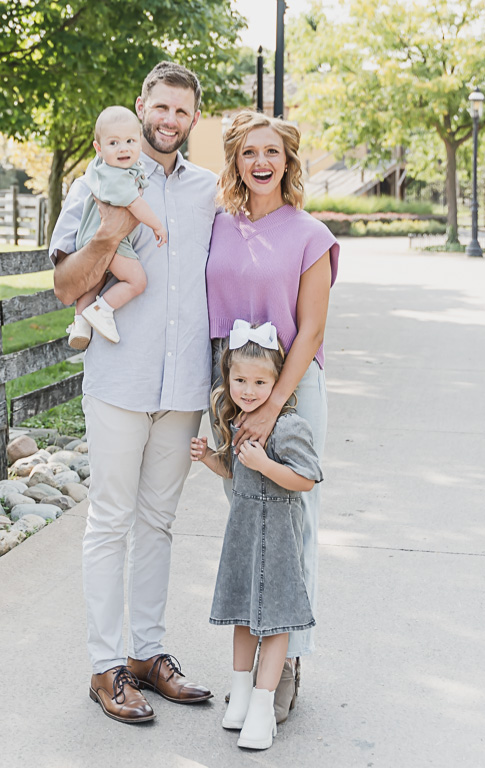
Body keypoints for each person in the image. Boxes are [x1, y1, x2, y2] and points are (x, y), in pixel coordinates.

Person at [50, 61, 217, 725]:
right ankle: (105, 665)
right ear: (141, 104)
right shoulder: (97, 184)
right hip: (119, 381)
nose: (168, 120)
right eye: (160, 106)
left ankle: (148, 655)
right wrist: (110, 232)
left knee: (158, 523)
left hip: (182, 388)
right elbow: (66, 287)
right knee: (110, 520)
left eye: (182, 110)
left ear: (194, 118)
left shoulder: (208, 190)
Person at [205, 109, 338, 724]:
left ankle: (287, 660)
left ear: (288, 163)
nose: (261, 162)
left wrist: (274, 406)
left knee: (294, 521)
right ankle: (247, 665)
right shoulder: (218, 226)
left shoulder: (310, 233)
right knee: (243, 516)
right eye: (249, 152)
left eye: (273, 153)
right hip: (234, 386)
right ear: (236, 161)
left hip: (290, 389)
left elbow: (311, 329)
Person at [191, 322, 322, 750]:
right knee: (243, 617)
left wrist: (266, 464)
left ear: (277, 380)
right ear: (227, 379)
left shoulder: (288, 426)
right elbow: (236, 471)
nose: (248, 390)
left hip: (280, 540)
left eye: (260, 382)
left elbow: (305, 479)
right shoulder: (236, 421)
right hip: (245, 537)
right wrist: (211, 457)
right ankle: (241, 693)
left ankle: (264, 706)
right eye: (240, 380)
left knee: (277, 620)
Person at [66, 105, 167, 352]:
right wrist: (157, 226)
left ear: (140, 142)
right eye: (113, 143)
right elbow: (135, 204)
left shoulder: (105, 169)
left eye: (130, 141)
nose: (123, 148)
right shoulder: (115, 176)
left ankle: (80, 322)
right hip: (108, 240)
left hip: (92, 238)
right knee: (137, 281)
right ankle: (101, 310)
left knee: (97, 279)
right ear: (98, 149)